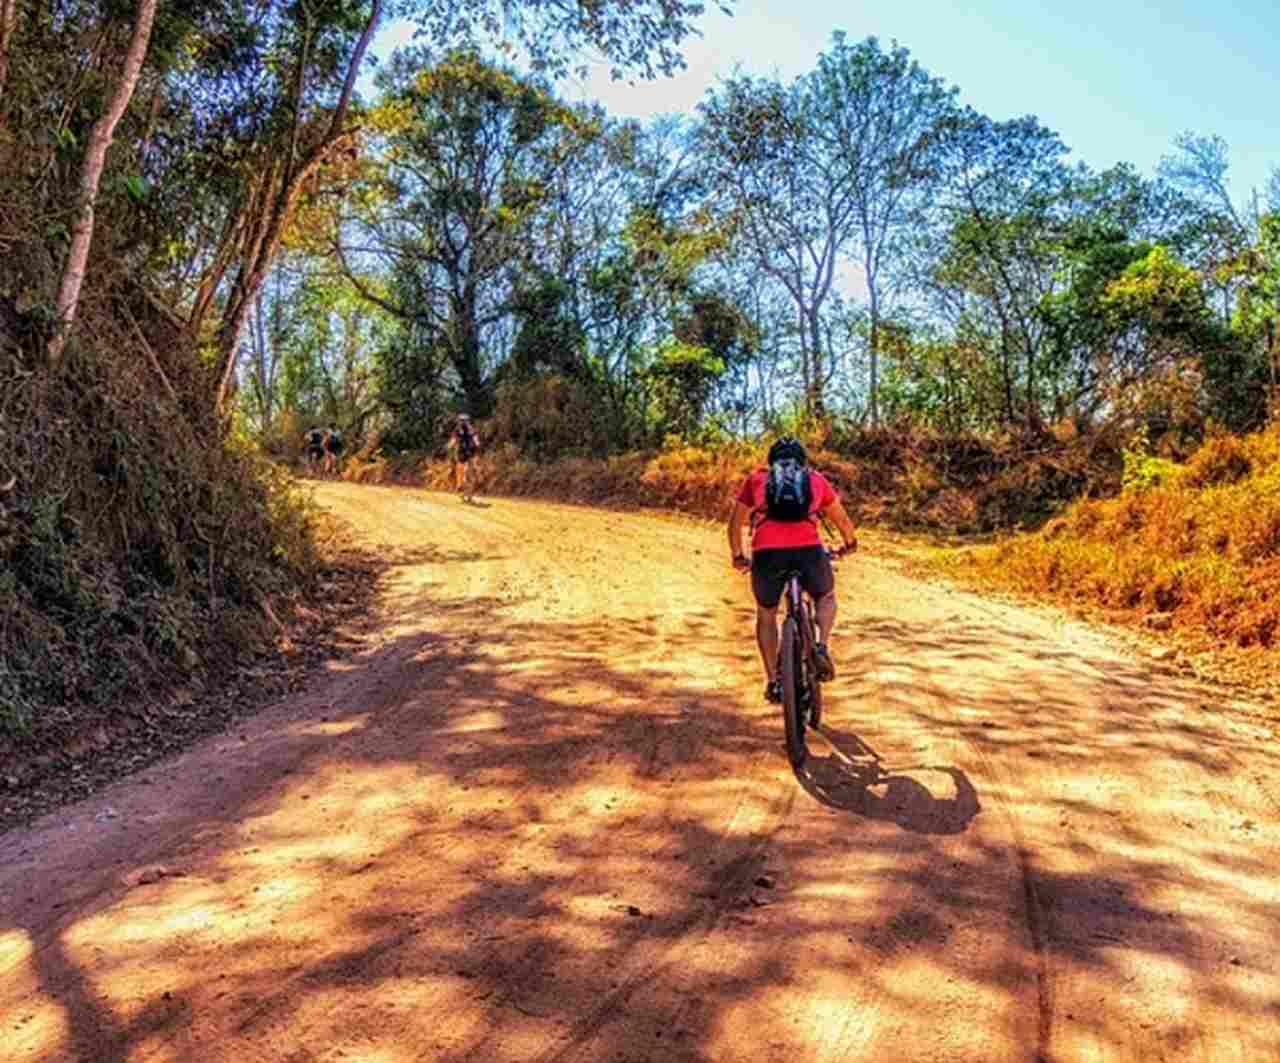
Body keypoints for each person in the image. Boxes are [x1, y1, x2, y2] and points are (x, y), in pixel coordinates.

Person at [727, 437, 858, 704]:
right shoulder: (815, 480)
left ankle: (774, 682)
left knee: (766, 614)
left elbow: (735, 523)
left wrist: (738, 556)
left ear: (770, 460)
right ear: (803, 461)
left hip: (767, 555)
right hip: (808, 551)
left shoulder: (756, 479)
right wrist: (850, 543)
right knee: (826, 596)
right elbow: (841, 519)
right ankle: (820, 645)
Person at [449, 414, 480, 498]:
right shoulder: (470, 429)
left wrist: (449, 446)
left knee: (460, 468)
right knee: (467, 469)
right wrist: (477, 445)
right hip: (469, 451)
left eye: (463, 421)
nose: (463, 422)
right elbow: (476, 440)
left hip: (463, 451)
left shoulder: (459, 429)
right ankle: (464, 486)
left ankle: (460, 485)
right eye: (462, 421)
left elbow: (453, 440)